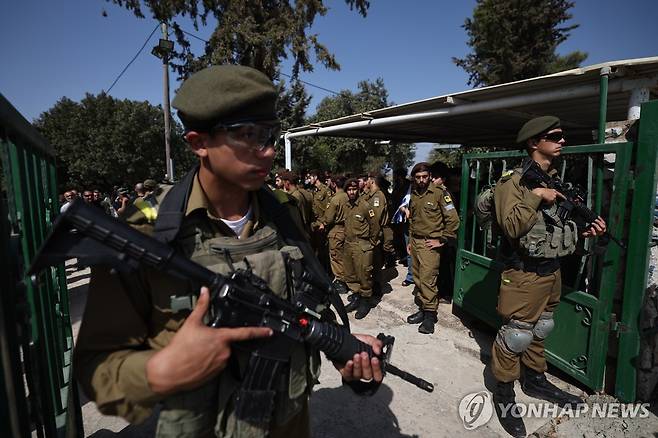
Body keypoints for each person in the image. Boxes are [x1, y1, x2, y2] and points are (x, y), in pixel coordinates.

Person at [73, 65, 383, 438]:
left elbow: (304, 298)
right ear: (197, 142)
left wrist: (340, 344)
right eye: (247, 135)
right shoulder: (144, 230)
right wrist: (159, 371)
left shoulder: (284, 212)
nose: (267, 151)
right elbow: (95, 370)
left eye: (270, 134)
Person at [490, 116, 607, 437]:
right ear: (533, 142)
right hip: (523, 273)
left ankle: (535, 379)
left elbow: (549, 229)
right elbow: (512, 226)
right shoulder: (512, 183)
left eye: (561, 135)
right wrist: (536, 195)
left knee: (541, 329)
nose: (562, 140)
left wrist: (582, 230)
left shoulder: (553, 179)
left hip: (550, 270)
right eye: (554, 136)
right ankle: (503, 391)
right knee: (516, 335)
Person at [406, 162, 460, 334]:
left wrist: (442, 240)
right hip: (416, 242)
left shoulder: (440, 193)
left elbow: (453, 219)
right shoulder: (414, 194)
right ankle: (423, 309)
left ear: (429, 176)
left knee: (428, 279)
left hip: (430, 243)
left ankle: (430, 315)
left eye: (424, 176)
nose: (421, 180)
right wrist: (410, 240)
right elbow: (413, 219)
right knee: (418, 278)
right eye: (418, 177)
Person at [342, 178, 378, 319]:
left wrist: (371, 243)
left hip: (361, 245)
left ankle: (365, 301)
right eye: (349, 190)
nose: (352, 192)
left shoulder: (365, 206)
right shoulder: (346, 205)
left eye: (354, 189)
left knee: (364, 275)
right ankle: (356, 296)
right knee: (351, 274)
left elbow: (375, 225)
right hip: (348, 244)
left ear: (358, 190)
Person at [319, 175, 349, 293]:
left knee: (336, 256)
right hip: (348, 229)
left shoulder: (335, 199)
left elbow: (329, 218)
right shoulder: (348, 196)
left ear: (334, 184)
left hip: (336, 230)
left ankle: (341, 281)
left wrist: (323, 224)